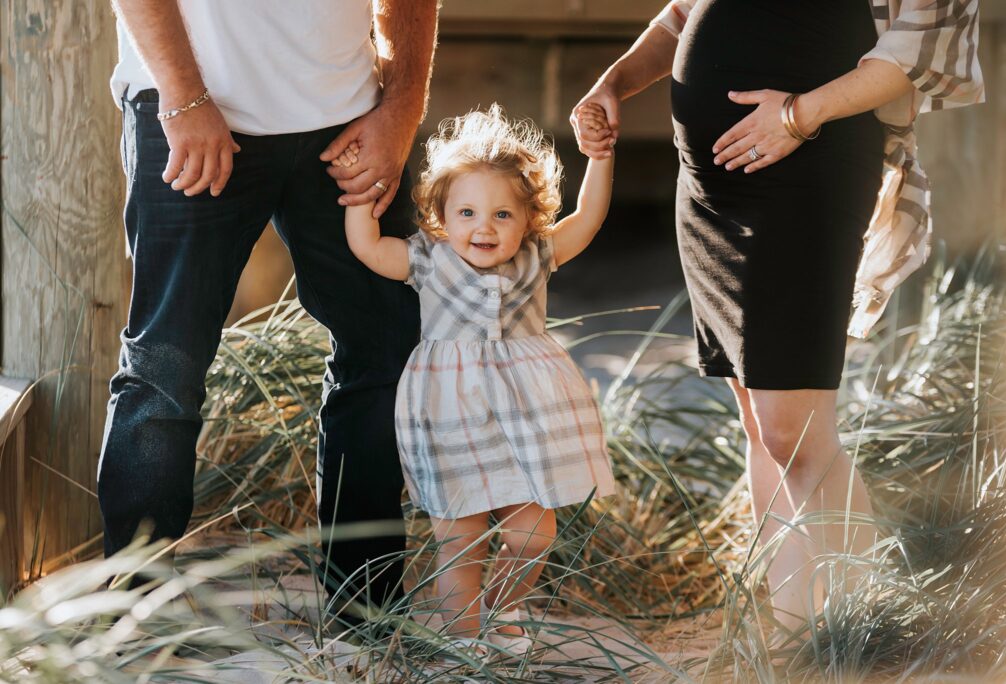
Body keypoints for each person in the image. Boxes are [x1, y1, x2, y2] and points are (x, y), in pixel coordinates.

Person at [570, 0, 983, 631]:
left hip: (807, 166)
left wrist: (798, 115)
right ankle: (790, 633)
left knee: (793, 429)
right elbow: (685, 13)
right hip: (709, 190)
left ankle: (847, 636)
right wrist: (613, 83)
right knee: (760, 423)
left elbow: (920, 48)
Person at [97, 0, 438, 628]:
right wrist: (181, 98)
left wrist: (400, 110)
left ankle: (367, 613)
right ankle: (134, 625)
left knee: (385, 355)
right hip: (192, 111)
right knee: (163, 371)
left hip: (348, 118)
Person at [342, 103, 617, 656]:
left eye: (501, 215)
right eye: (466, 213)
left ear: (528, 220)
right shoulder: (429, 259)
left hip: (529, 417)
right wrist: (360, 197)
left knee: (532, 535)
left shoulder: (537, 257)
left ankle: (504, 607)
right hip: (452, 415)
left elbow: (586, 219)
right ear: (442, 215)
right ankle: (464, 641)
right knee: (460, 539)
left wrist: (600, 157)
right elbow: (368, 248)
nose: (483, 228)